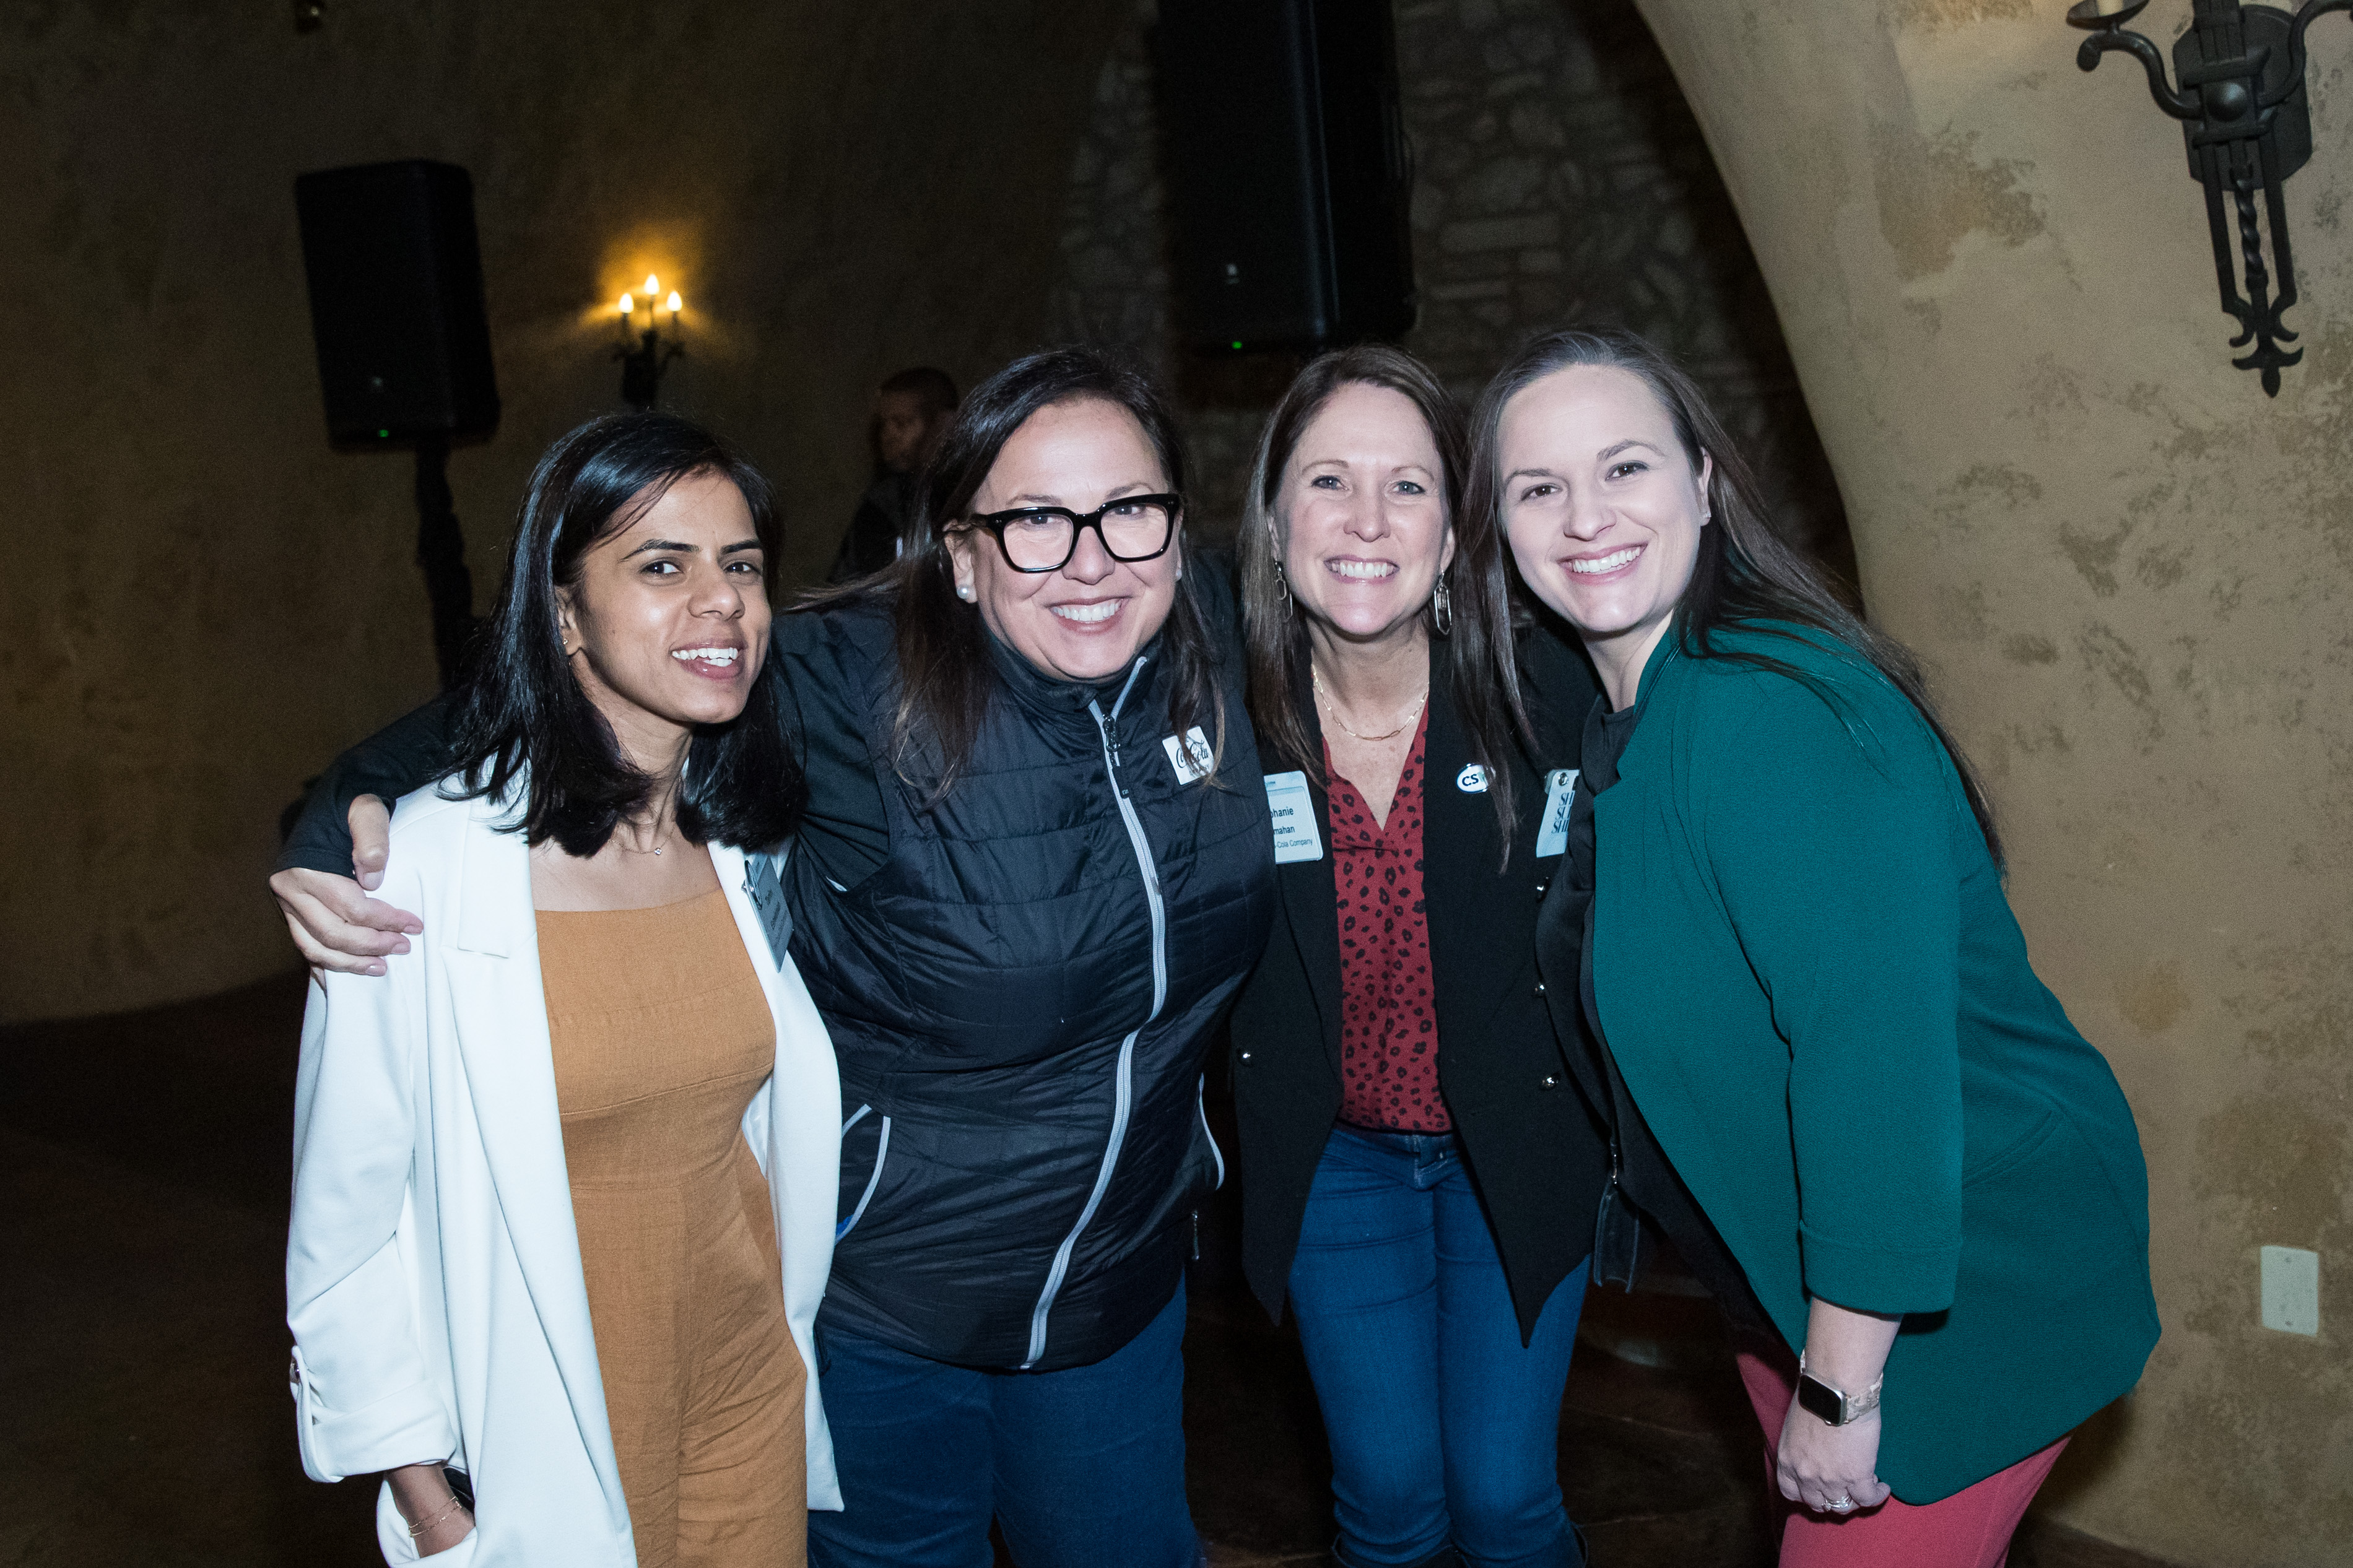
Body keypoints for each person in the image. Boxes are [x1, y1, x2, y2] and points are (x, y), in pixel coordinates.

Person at [271, 349, 1277, 1568]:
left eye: (1129, 512)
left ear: (1177, 532)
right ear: (956, 552)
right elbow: (562, 696)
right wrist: (342, 811)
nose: (1090, 557)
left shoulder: (1219, 639)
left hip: (1118, 1302)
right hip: (885, 1316)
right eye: (1033, 522)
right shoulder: (844, 680)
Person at [1476, 326, 2160, 1568]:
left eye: (1623, 468)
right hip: (1787, 1283)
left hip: (1948, 1297)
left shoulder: (1769, 709)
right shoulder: (1628, 710)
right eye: (1539, 488)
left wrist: (1842, 1388)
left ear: (1701, 480)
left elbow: (1870, 1062)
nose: (1584, 516)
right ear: (1505, 534)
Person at [284, 412, 842, 1566]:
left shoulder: (743, 849)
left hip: (748, 1399)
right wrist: (428, 1504)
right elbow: (343, 1234)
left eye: (740, 565)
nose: (721, 601)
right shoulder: (424, 870)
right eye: (661, 565)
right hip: (538, 1438)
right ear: (562, 609)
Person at [1225, 346, 1605, 1568]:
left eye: (1410, 486)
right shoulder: (1219, 716)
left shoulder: (1549, 690)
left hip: (1514, 1145)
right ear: (1276, 515)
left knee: (1502, 1501)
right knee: (1385, 1504)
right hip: (1337, 1160)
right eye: (1329, 481)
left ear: (1455, 532)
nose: (1367, 520)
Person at [825, 365, 957, 582]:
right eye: (883, 425)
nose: (888, 436)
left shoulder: (971, 496)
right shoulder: (883, 502)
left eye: (902, 423)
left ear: (945, 424)